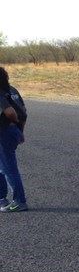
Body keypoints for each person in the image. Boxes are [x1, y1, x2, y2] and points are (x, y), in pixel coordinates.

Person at [0, 66, 27, 212]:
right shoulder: (12, 91)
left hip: (4, 133)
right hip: (12, 132)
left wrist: (13, 121)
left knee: (9, 168)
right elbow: (24, 112)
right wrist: (19, 131)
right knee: (2, 166)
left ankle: (19, 202)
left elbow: (10, 112)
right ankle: (1, 197)